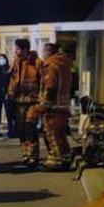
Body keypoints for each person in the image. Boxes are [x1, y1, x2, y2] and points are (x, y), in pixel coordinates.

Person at [38, 41, 73, 170]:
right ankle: (66, 158)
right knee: (61, 135)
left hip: (53, 107)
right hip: (63, 106)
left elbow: (50, 86)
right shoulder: (64, 64)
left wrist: (44, 105)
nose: (43, 54)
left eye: (44, 51)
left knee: (52, 134)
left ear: (48, 52)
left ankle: (55, 161)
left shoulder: (51, 65)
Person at [8, 39, 42, 168]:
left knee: (30, 129)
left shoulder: (37, 63)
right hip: (19, 101)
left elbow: (43, 80)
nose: (15, 51)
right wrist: (10, 94)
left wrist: (42, 98)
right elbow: (13, 79)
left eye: (17, 49)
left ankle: (33, 156)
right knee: (21, 130)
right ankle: (25, 155)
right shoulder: (17, 62)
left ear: (25, 49)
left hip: (33, 100)